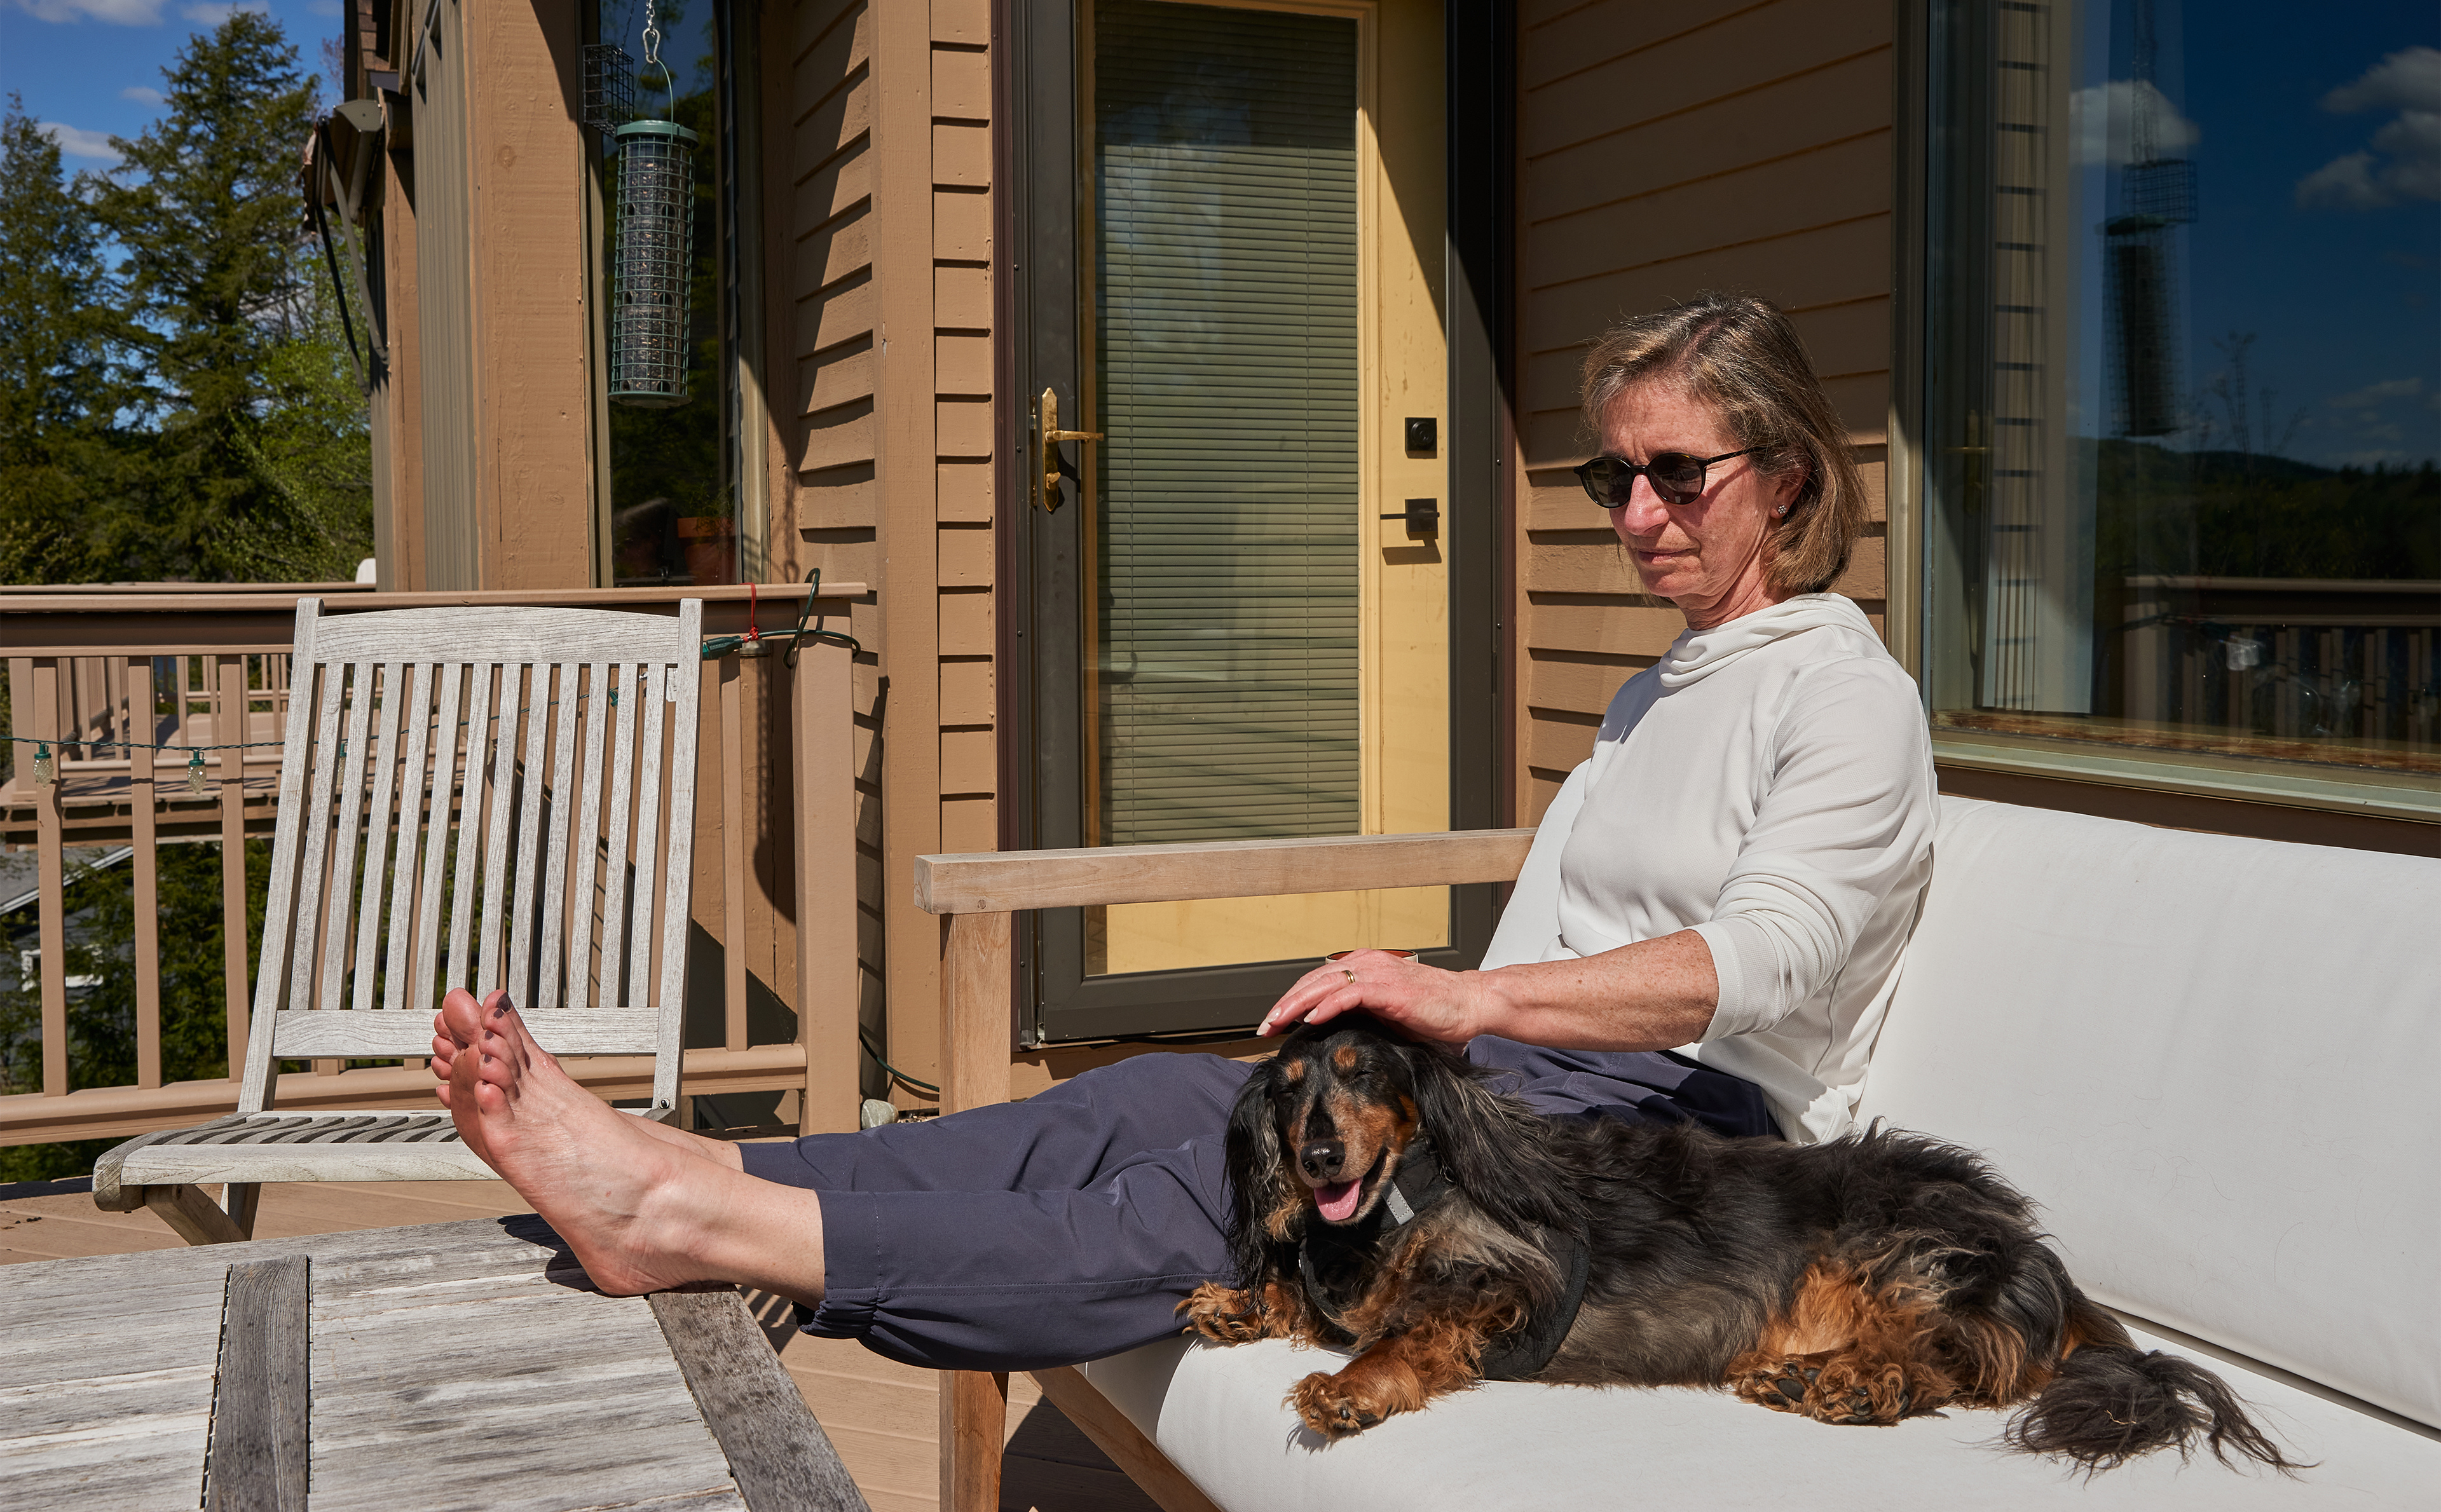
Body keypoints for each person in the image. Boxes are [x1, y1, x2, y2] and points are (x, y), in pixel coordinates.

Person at [430, 291, 1936, 1372]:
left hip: (1698, 1148)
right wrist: (1435, 1041)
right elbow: (1557, 935)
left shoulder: (1843, 693)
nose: (1638, 514)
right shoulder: (1657, 689)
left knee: (1220, 1191)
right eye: (1615, 476)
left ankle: (691, 1221)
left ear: (1790, 478)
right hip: (1539, 1092)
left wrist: (1466, 1001)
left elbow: (1770, 958)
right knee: (1151, 1095)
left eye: (1680, 475)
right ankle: (721, 1162)